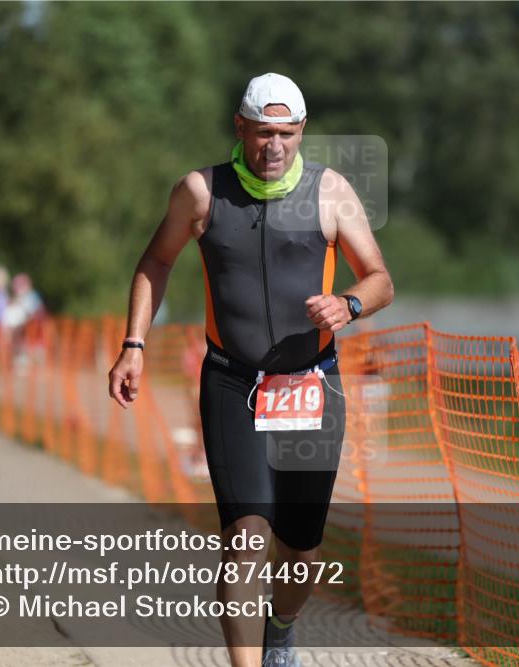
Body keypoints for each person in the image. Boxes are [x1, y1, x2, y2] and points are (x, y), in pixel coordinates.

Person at [107, 73, 393, 667]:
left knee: (301, 549)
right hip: (233, 382)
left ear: (302, 132)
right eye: (264, 132)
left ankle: (281, 629)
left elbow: (380, 278)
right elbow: (155, 261)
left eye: (288, 133)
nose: (275, 146)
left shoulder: (330, 191)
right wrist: (134, 343)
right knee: (246, 540)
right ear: (240, 128)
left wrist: (350, 303)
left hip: (311, 385)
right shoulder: (201, 192)